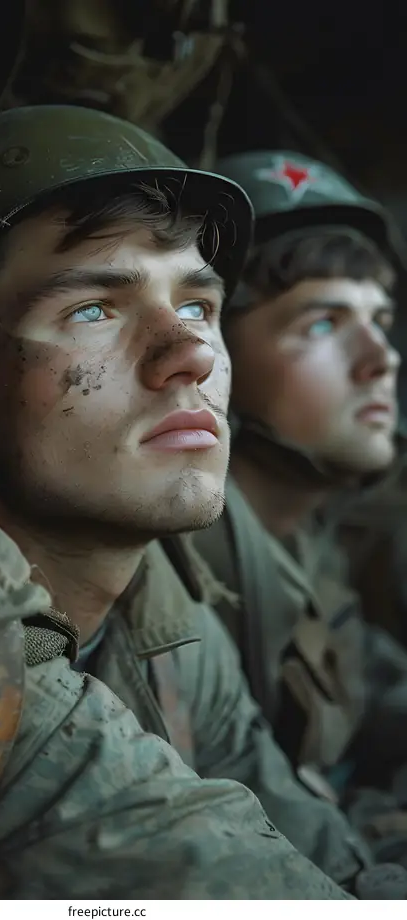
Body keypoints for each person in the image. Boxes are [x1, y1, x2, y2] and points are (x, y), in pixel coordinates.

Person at [0, 20, 351, 891]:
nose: (194, 355)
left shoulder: (162, 607)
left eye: (201, 307)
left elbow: (328, 861)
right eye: (95, 309)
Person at [189, 149, 407, 868]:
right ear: (214, 356)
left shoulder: (306, 539)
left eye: (380, 319)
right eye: (322, 323)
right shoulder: (183, 569)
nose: (382, 358)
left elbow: (379, 691)